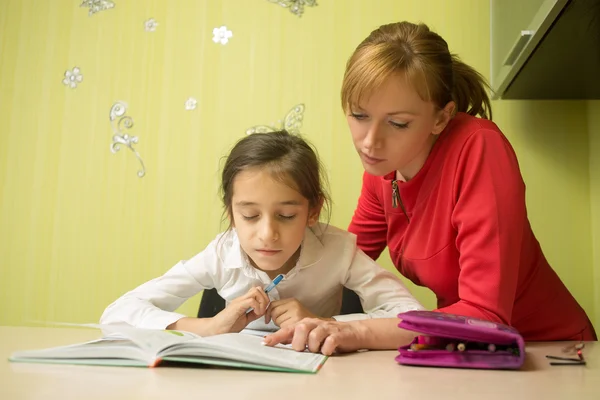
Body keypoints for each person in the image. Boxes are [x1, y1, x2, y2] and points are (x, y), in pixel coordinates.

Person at [263, 21, 597, 355]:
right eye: (359, 115)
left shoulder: (479, 147)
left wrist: (351, 328)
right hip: (468, 351)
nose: (369, 142)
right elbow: (342, 264)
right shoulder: (382, 174)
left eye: (398, 123)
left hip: (554, 350)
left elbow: (486, 316)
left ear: (441, 118)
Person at [100, 131, 424, 336]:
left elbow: (414, 318)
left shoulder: (339, 250)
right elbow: (117, 313)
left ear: (313, 211)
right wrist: (207, 326)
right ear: (231, 213)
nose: (267, 234)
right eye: (250, 215)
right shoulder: (220, 255)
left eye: (286, 215)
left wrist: (327, 323)